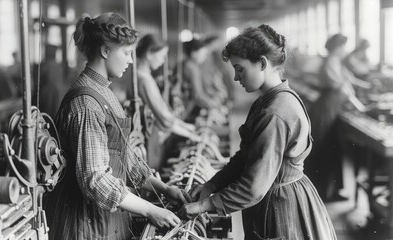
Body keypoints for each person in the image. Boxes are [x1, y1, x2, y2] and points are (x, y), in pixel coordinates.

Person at [178, 25, 337, 240]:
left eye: (240, 68)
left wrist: (204, 206)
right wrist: (211, 185)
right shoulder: (269, 100)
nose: (235, 77)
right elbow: (245, 157)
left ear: (262, 63)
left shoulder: (275, 112)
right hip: (275, 196)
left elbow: (253, 187)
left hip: (281, 206)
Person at [44, 13, 191, 240]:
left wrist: (164, 189)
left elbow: (124, 157)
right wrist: (150, 209)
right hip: (84, 225)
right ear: (105, 51)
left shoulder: (103, 92)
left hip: (104, 219)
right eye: (126, 53)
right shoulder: (86, 103)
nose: (131, 60)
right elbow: (95, 180)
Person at [305, 34, 368, 201]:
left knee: (332, 149)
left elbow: (349, 80)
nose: (345, 50)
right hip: (327, 108)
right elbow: (341, 87)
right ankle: (324, 193)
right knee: (326, 149)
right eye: (343, 47)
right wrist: (359, 106)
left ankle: (330, 191)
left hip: (332, 107)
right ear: (337, 47)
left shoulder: (335, 62)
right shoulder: (331, 62)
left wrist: (367, 86)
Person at [136, 34, 201, 169]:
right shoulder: (144, 79)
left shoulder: (144, 75)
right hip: (149, 138)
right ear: (149, 53)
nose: (163, 61)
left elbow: (164, 112)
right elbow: (164, 117)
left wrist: (185, 126)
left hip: (152, 134)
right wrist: (189, 133)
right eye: (161, 56)